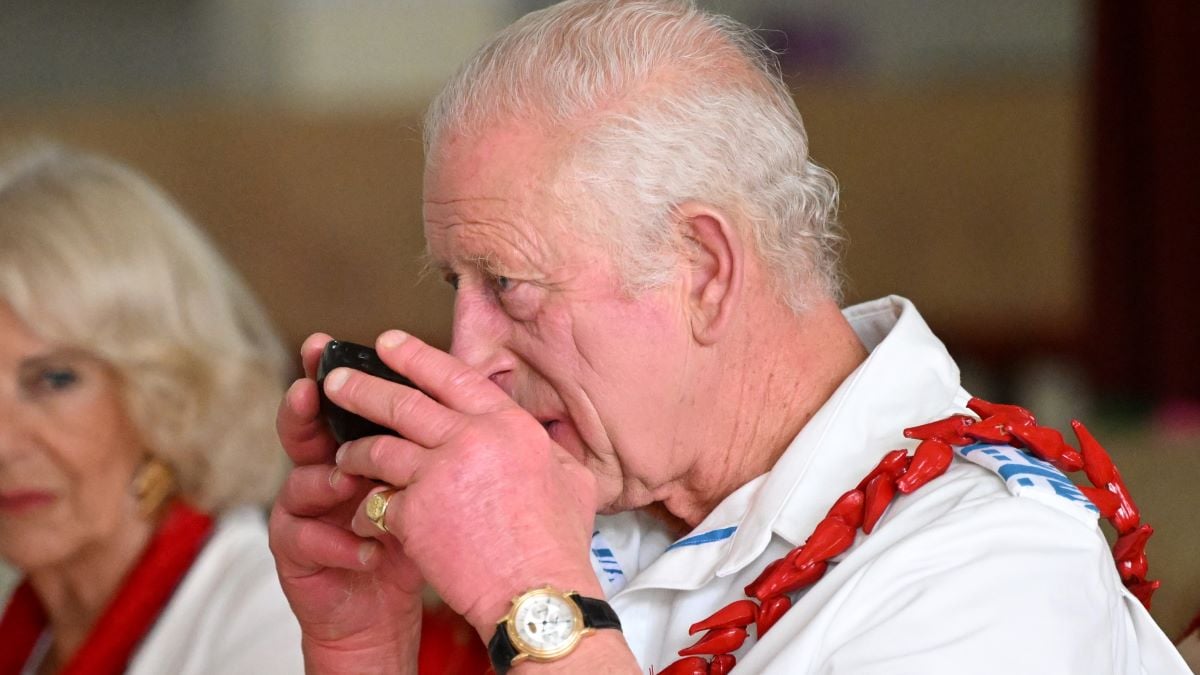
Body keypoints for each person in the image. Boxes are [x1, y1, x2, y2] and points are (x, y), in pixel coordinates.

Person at [269, 1, 1191, 673]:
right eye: (454, 284)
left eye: (510, 286)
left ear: (705, 269)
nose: (470, 354)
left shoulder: (991, 564)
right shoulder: (593, 505)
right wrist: (365, 651)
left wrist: (535, 603)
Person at [0, 144, 304, 674]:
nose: (3, 443)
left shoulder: (270, 619)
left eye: (53, 380)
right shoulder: (29, 633)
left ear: (166, 388)